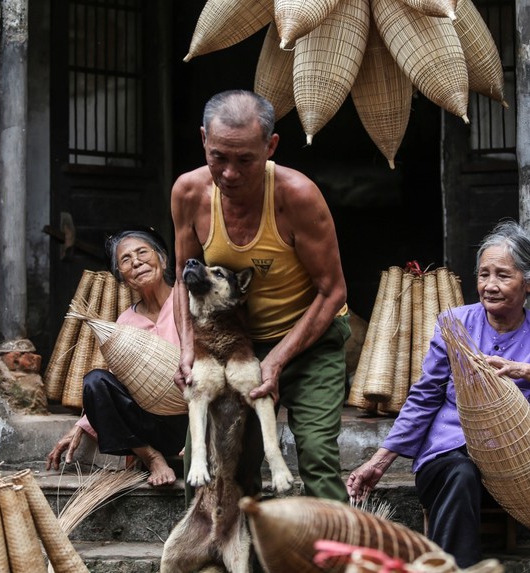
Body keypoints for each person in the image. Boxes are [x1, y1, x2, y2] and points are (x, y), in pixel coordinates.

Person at [346, 220, 530, 569]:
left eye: (502, 275)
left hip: (513, 465)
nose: (489, 286)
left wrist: (520, 369)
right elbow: (424, 397)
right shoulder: (454, 324)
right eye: (484, 275)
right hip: (450, 457)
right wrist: (378, 463)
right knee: (461, 471)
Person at [171, 89, 351, 502]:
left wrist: (278, 358)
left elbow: (333, 290)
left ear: (270, 147)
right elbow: (183, 278)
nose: (229, 173)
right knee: (219, 462)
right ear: (204, 140)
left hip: (311, 339)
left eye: (245, 160)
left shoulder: (297, 196)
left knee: (317, 456)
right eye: (218, 157)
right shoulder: (189, 193)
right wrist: (187, 347)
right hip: (234, 342)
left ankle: (339, 561)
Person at [46, 228, 188, 486]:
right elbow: (117, 386)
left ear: (163, 260)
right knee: (95, 381)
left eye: (143, 252)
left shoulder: (189, 301)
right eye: (126, 260)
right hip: (152, 427)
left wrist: (201, 435)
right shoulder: (125, 322)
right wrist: (82, 426)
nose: (136, 262)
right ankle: (152, 458)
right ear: (121, 278)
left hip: (192, 418)